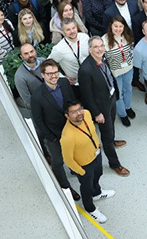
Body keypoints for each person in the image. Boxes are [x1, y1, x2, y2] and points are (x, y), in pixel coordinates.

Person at [78, 36, 129, 177]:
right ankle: (115, 164)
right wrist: (96, 113)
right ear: (89, 49)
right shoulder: (85, 70)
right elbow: (87, 96)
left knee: (111, 125)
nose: (100, 49)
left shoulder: (103, 58)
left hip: (110, 99)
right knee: (105, 136)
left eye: (101, 45)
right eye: (96, 47)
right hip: (101, 108)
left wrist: (116, 95)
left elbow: (110, 78)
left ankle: (112, 140)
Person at [31, 60, 80, 202]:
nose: (54, 76)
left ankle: (73, 169)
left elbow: (72, 101)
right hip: (54, 135)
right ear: (43, 75)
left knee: (73, 152)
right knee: (58, 162)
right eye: (50, 74)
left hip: (70, 129)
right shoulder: (37, 97)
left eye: (56, 72)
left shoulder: (64, 83)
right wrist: (50, 137)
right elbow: (38, 120)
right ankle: (66, 188)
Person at [59, 100, 111, 223]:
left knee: (98, 174)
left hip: (96, 154)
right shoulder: (67, 137)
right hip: (84, 165)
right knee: (86, 187)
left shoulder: (87, 114)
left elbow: (91, 131)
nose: (79, 113)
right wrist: (81, 172)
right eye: (74, 112)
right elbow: (68, 160)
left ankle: (97, 193)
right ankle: (90, 208)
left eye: (79, 109)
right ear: (67, 116)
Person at [103, 16, 136, 126]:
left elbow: (132, 50)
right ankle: (122, 114)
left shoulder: (128, 35)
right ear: (111, 26)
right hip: (115, 73)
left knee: (128, 90)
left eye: (120, 26)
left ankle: (128, 107)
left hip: (128, 69)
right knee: (118, 94)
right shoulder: (104, 40)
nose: (118, 29)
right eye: (115, 26)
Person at [48, 19, 90, 87]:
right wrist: (62, 77)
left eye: (73, 28)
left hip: (92, 77)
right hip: (76, 84)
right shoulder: (59, 49)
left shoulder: (85, 37)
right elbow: (48, 65)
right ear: (63, 32)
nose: (72, 31)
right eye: (68, 30)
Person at [14, 43, 45, 109]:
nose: (30, 55)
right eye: (26, 53)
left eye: (32, 51)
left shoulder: (44, 61)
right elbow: (28, 100)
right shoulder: (19, 76)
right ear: (21, 56)